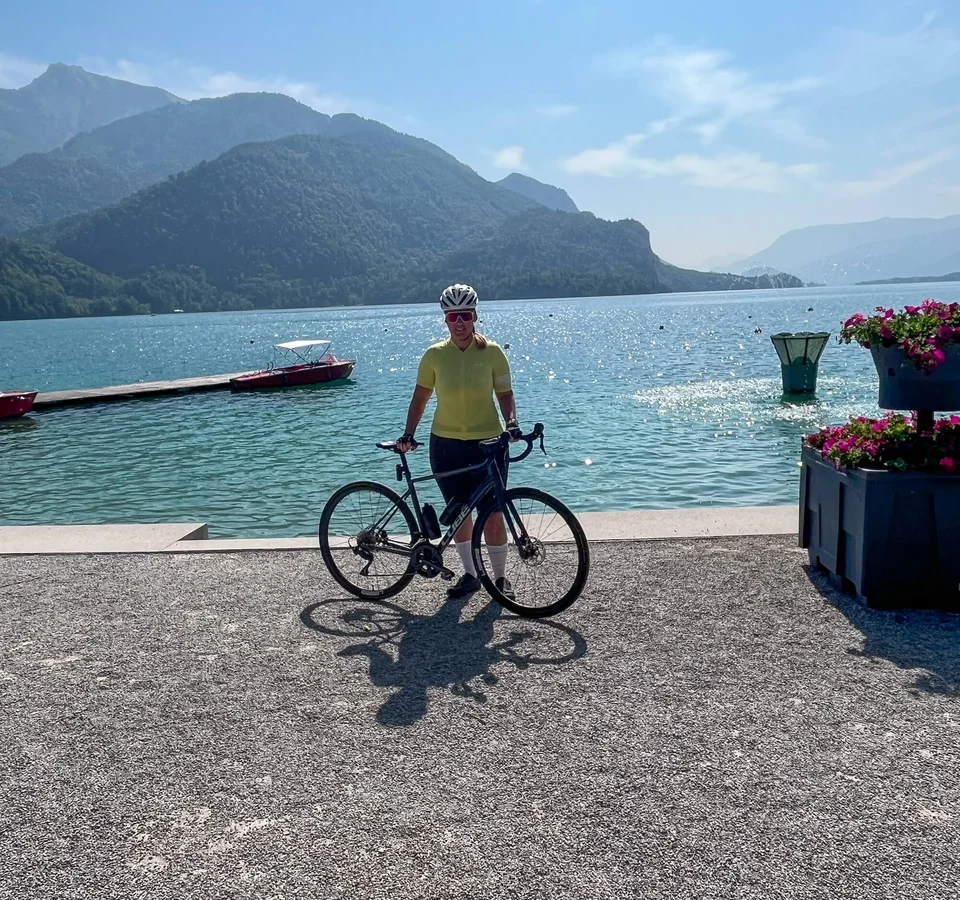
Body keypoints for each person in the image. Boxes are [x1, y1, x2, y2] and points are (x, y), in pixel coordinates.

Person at [397, 283, 521, 600]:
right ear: (446, 320)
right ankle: (470, 574)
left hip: (489, 444)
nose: (460, 322)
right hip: (446, 446)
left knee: (493, 515)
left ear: (475, 316)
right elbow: (420, 398)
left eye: (465, 315)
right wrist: (409, 433)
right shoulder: (434, 356)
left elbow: (505, 395)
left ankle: (501, 579)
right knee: (459, 513)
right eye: (453, 317)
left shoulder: (493, 353)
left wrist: (512, 423)